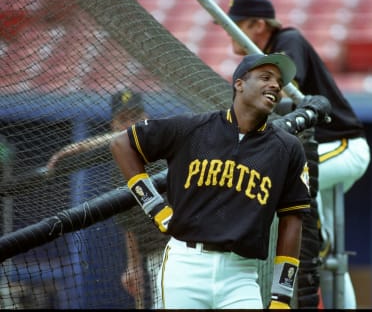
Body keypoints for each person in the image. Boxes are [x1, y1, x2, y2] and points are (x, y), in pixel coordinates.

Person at [110, 53, 316, 309]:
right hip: (185, 266)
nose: (275, 85)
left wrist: (281, 296)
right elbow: (121, 144)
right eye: (265, 77)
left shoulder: (287, 149)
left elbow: (292, 220)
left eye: (279, 82)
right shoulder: (193, 128)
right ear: (239, 84)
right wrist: (154, 207)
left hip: (241, 275)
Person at [221, 0, 371, 309]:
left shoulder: (287, 40)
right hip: (319, 151)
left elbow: (286, 91)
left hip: (342, 145)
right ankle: (320, 247)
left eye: (236, 25)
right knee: (332, 257)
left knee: (298, 189)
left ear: (258, 25)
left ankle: (315, 244)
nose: (228, 32)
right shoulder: (260, 59)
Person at [46, 90, 168, 308]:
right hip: (156, 255)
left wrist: (80, 146)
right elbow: (128, 221)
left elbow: (132, 134)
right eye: (123, 119)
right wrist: (133, 265)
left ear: (146, 117)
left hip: (190, 244)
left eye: (136, 116)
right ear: (113, 124)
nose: (131, 124)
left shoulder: (163, 140)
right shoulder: (120, 166)